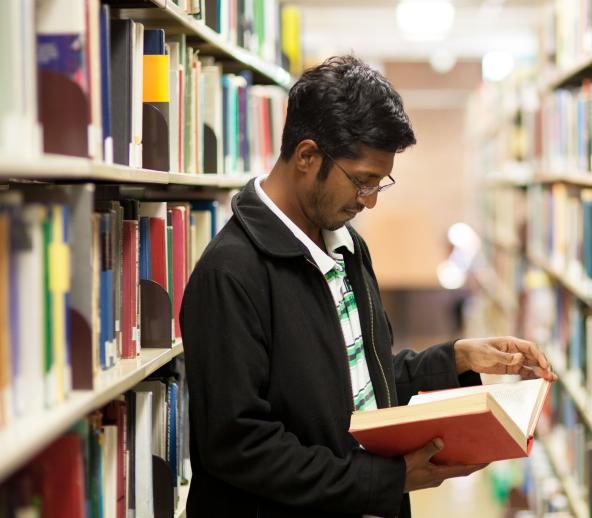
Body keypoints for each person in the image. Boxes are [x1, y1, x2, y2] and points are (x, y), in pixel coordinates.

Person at [180, 55, 557, 518]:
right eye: (361, 182)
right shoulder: (229, 274)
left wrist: (455, 357)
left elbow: (354, 382)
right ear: (307, 156)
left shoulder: (346, 247)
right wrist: (384, 480)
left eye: (381, 183)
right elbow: (238, 446)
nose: (371, 202)